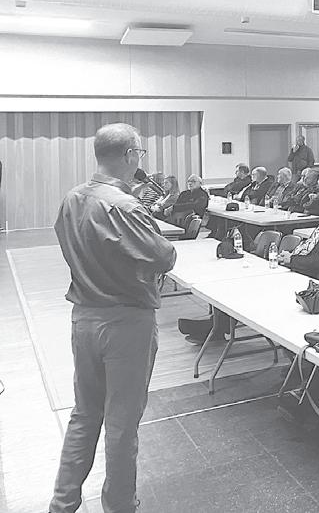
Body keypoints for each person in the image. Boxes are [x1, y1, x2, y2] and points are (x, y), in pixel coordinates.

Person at [49, 122, 176, 513]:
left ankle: (63, 501)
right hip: (125, 323)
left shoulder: (73, 198)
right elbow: (164, 256)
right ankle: (120, 504)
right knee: (121, 424)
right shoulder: (126, 206)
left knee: (84, 414)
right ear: (129, 155)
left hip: (83, 317)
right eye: (139, 152)